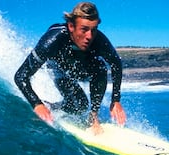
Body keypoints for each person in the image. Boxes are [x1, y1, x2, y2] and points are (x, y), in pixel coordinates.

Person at [14, 2, 126, 134]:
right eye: (84, 29)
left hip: (82, 68)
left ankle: (93, 117)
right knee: (80, 105)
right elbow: (21, 76)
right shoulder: (53, 40)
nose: (89, 36)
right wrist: (37, 104)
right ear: (71, 26)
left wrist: (116, 100)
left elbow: (116, 64)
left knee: (100, 68)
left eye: (94, 29)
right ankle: (49, 106)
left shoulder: (99, 40)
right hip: (59, 70)